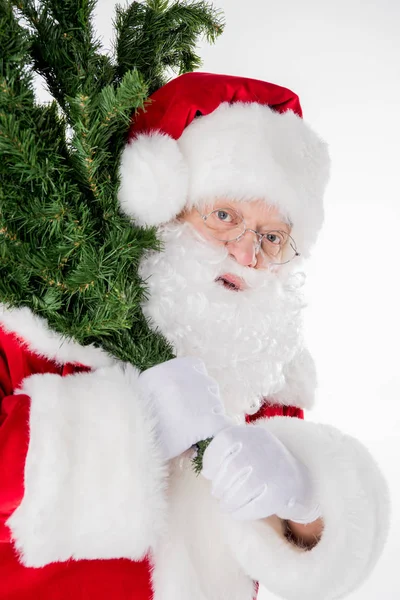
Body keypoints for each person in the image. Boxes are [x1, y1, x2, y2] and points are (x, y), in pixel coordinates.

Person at [0, 72, 388, 600]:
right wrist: (133, 425)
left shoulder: (262, 371)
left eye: (271, 237)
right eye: (224, 215)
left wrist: (306, 505)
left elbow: (290, 554)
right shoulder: (39, 325)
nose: (245, 253)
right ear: (163, 209)